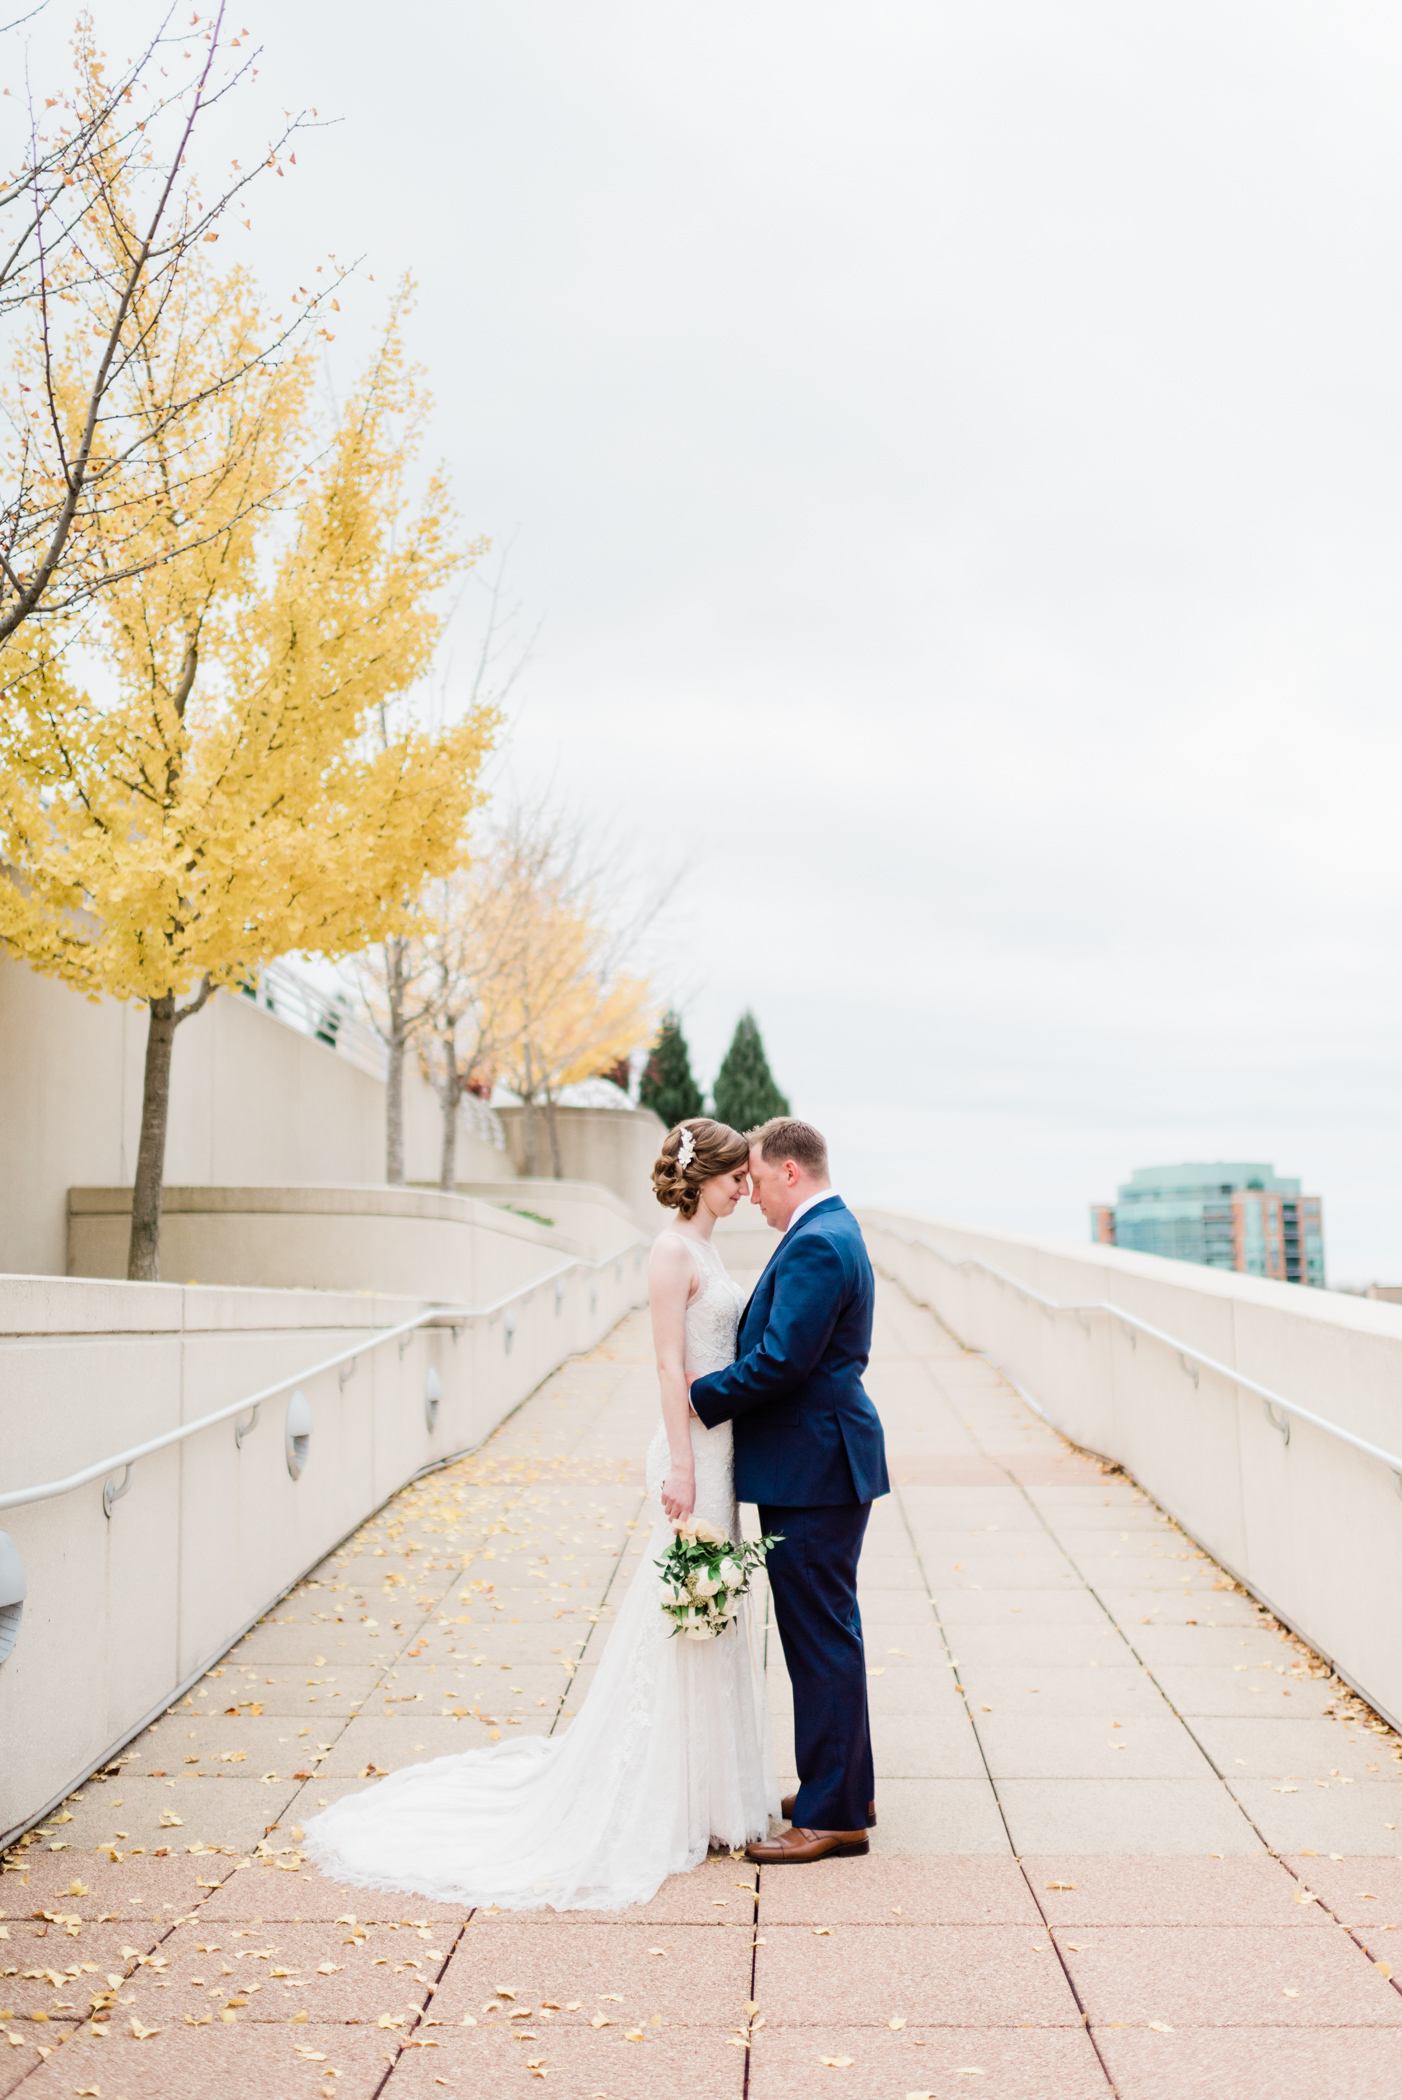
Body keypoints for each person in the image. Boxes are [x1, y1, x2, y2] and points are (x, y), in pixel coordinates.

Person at [301, 1117, 777, 1911]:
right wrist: (685, 1463)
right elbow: (666, 1364)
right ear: (706, 1177)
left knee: (716, 1608)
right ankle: (669, 1794)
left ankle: (710, 1791)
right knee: (682, 1607)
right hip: (695, 1453)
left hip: (724, 1453)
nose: (744, 1188)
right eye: (735, 1177)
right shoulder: (668, 1252)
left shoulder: (708, 1246)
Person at [690, 1116, 888, 1863]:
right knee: (828, 1631)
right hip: (822, 1463)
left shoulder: (815, 1241)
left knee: (819, 1638)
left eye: (760, 1181)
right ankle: (844, 1787)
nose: (755, 1197)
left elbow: (781, 1362)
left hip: (815, 1468)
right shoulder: (833, 1231)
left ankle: (834, 1814)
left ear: (791, 1172)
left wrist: (699, 1395)